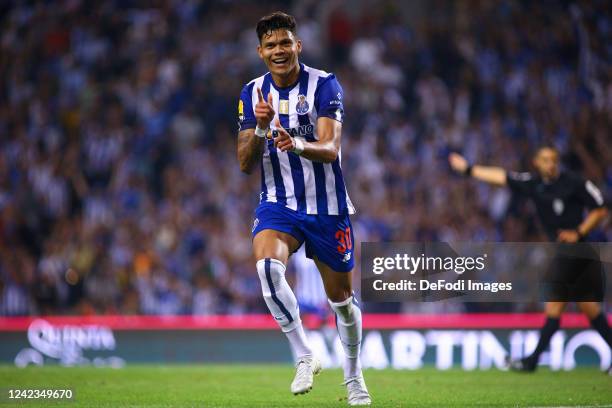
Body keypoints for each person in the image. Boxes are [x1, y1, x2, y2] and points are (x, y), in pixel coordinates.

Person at [236, 12, 371, 405]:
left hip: (327, 207)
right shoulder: (252, 93)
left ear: (298, 46)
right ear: (261, 52)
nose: (279, 50)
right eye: (271, 45)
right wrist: (261, 128)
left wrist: (293, 143)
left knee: (342, 302)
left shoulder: (324, 85)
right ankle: (304, 355)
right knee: (266, 267)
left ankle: (353, 376)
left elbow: (330, 149)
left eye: (285, 43)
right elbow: (245, 163)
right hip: (279, 204)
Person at [449, 147, 611, 373]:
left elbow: (600, 209)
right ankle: (531, 361)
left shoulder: (573, 182)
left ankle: (531, 362)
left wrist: (579, 232)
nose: (551, 164)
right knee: (587, 309)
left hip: (578, 251)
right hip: (565, 253)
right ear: (536, 162)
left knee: (559, 307)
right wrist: (468, 170)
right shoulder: (534, 184)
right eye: (545, 160)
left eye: (554, 160)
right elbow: (502, 177)